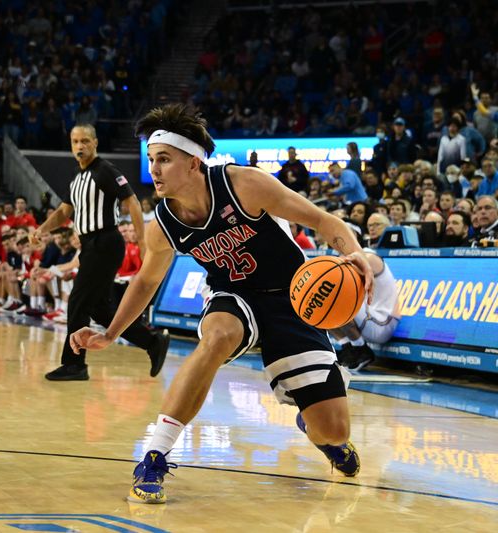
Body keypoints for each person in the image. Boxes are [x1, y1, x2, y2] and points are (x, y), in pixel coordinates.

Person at [70, 104, 374, 503]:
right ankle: (155, 455)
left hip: (292, 298)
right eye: (151, 159)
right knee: (218, 336)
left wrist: (355, 255)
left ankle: (315, 426)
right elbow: (146, 280)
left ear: (194, 162)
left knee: (333, 429)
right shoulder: (163, 223)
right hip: (232, 296)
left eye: (164, 159)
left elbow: (325, 222)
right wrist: (111, 333)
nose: (155, 169)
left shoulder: (244, 184)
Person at [31, 123, 170, 381]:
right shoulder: (76, 178)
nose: (80, 146)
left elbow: (132, 201)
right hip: (90, 246)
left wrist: (141, 241)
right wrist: (42, 229)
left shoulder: (105, 170)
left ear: (95, 143)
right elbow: (63, 212)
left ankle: (74, 364)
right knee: (99, 310)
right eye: (75, 142)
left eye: (85, 141)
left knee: (77, 301)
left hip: (105, 242)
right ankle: (152, 342)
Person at [331, 250, 400, 372]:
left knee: (337, 299)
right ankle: (348, 347)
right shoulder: (352, 257)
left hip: (384, 323)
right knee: (323, 306)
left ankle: (361, 350)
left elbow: (341, 274)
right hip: (370, 320)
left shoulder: (370, 257)